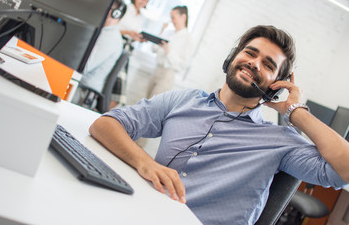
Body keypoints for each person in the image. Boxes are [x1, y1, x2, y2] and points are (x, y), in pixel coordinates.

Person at [88, 25, 349, 225]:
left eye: (268, 65)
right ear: (232, 57)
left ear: (275, 86)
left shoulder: (279, 140)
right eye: (250, 53)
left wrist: (295, 112)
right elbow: (105, 125)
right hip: (146, 215)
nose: (254, 63)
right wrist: (145, 162)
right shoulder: (183, 100)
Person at [72, 0, 127, 107]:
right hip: (77, 85)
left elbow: (84, 67)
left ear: (115, 13)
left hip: (82, 93)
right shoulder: (103, 31)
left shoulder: (110, 38)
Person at [147, 5, 194, 98]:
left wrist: (168, 52)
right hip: (156, 70)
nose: (171, 21)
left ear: (183, 17)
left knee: (153, 105)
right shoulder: (168, 33)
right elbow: (153, 49)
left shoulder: (188, 39)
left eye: (173, 18)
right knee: (145, 100)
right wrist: (161, 30)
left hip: (167, 74)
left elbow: (183, 64)